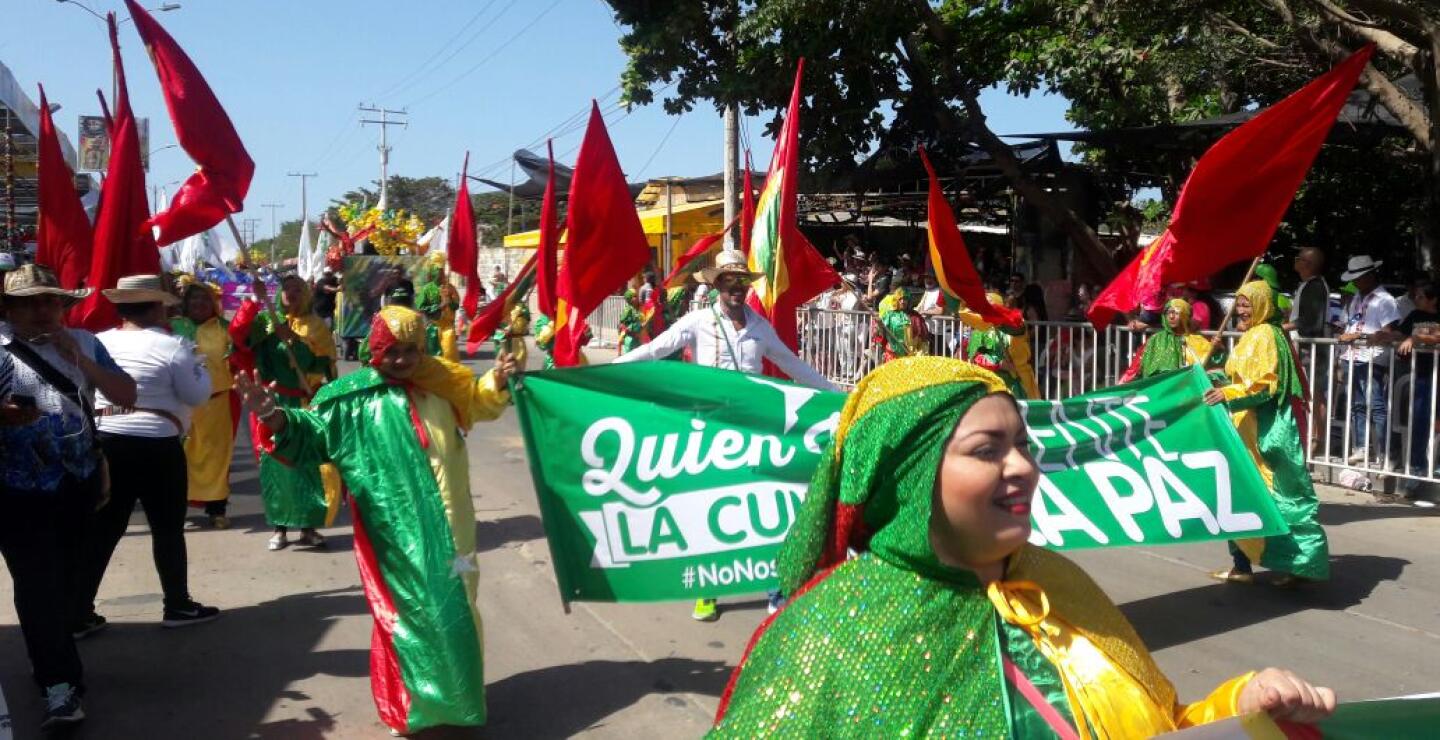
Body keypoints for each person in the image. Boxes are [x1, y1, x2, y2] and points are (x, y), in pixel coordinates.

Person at [712, 357, 1336, 737]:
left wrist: (1240, 709)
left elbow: (1160, 725)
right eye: (987, 450)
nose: (1024, 468)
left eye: (1023, 445)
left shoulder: (1057, 583)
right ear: (909, 478)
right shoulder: (825, 636)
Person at [234, 306, 518, 736]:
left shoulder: (442, 379)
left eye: (410, 350)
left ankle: (460, 699)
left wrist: (497, 378)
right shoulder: (350, 398)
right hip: (394, 528)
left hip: (454, 521)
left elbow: (479, 403)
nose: (402, 360)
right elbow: (312, 435)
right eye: (392, 351)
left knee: (458, 604)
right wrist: (272, 415)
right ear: (374, 349)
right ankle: (411, 706)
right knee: (406, 612)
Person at [615, 249, 837, 622]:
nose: (736, 288)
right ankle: (707, 589)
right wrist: (611, 369)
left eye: (741, 281)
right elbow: (655, 350)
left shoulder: (760, 327)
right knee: (710, 507)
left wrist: (837, 395)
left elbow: (793, 365)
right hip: (710, 433)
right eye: (729, 281)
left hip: (754, 432)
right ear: (717, 284)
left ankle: (775, 590)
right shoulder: (697, 321)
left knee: (765, 508)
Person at [0, 264, 135, 730]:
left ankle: (52, 655)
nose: (42, 311)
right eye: (29, 303)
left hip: (79, 485)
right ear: (8, 309)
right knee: (37, 584)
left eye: (50, 301)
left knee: (67, 583)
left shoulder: (86, 343)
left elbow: (126, 393)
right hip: (17, 490)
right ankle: (59, 685)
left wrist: (80, 360)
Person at [77, 273, 221, 634]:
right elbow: (197, 395)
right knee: (167, 528)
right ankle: (177, 604)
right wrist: (200, 365)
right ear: (158, 307)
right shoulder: (174, 346)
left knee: (104, 530)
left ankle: (78, 610)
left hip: (108, 439)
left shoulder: (99, 341)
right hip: (158, 445)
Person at [1205, 281, 1330, 587]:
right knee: (1239, 494)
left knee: (1284, 498)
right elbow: (1241, 377)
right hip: (1246, 430)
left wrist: (1228, 394)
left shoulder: (1266, 335)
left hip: (1269, 432)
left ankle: (1299, 564)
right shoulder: (1253, 334)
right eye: (1239, 304)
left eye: (1247, 304)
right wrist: (1217, 367)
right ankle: (1242, 566)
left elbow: (1265, 385)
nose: (1241, 310)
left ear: (1262, 304)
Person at [230, 275, 340, 551]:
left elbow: (321, 365)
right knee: (274, 464)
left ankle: (307, 527)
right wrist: (254, 301)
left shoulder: (316, 326)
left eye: (297, 289)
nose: (291, 293)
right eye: (286, 289)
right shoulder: (267, 322)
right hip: (271, 403)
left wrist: (295, 342)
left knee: (306, 464)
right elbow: (238, 336)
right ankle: (279, 527)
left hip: (303, 404)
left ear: (307, 295)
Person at [170, 281, 238, 528]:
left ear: (214, 303)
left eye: (205, 298)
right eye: (194, 298)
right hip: (180, 405)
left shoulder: (224, 329)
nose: (199, 303)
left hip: (216, 404)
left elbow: (240, 357)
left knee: (217, 458)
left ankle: (217, 509)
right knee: (179, 458)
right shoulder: (173, 327)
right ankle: (177, 508)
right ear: (186, 302)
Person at [1335, 255, 1402, 465]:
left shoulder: (1385, 300)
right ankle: (1361, 447)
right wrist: (1345, 335)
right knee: (1356, 405)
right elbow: (1348, 325)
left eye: (1360, 277)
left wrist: (1359, 336)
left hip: (1373, 357)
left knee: (1376, 406)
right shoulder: (1355, 298)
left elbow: (1389, 332)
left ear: (1371, 275)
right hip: (1351, 356)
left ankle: (1385, 452)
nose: (1356, 282)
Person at [1394, 279, 1440, 504]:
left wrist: (1415, 337)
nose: (1416, 299)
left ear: (1433, 299)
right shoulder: (1413, 315)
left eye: (1421, 296)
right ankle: (1417, 469)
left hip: (1436, 375)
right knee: (1419, 422)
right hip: (1421, 376)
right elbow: (1398, 334)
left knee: (1436, 423)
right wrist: (1382, 335)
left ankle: (1434, 467)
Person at [1285, 247, 1331, 455]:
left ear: (1308, 264)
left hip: (1312, 350)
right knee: (1308, 393)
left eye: (1299, 258)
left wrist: (1284, 327)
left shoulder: (1316, 287)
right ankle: (1310, 436)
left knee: (1315, 393)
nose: (1295, 260)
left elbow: (1310, 321)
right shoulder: (1308, 285)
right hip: (1304, 347)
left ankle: (1317, 439)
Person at [958, 292, 1040, 399]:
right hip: (991, 383)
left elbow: (1021, 343)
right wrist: (999, 365)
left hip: (1018, 382)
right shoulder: (980, 329)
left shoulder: (1015, 324)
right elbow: (974, 358)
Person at [1119, 298, 1215, 383]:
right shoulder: (1155, 340)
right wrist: (1122, 385)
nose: (1171, 316)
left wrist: (1215, 348)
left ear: (1185, 316)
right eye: (1169, 313)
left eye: (1176, 313)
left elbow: (1212, 366)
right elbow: (1135, 369)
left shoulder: (1198, 341)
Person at [871, 288, 929, 362]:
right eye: (900, 299)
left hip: (910, 355)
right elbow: (882, 333)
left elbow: (922, 338)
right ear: (896, 300)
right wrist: (879, 324)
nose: (903, 301)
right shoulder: (890, 315)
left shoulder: (916, 317)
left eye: (905, 299)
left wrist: (919, 355)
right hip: (892, 354)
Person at [617, 288, 646, 355]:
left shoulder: (637, 309)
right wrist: (631, 333)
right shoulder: (628, 309)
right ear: (629, 299)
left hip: (638, 337)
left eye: (636, 295)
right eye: (634, 296)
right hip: (630, 338)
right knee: (631, 357)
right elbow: (621, 324)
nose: (637, 297)